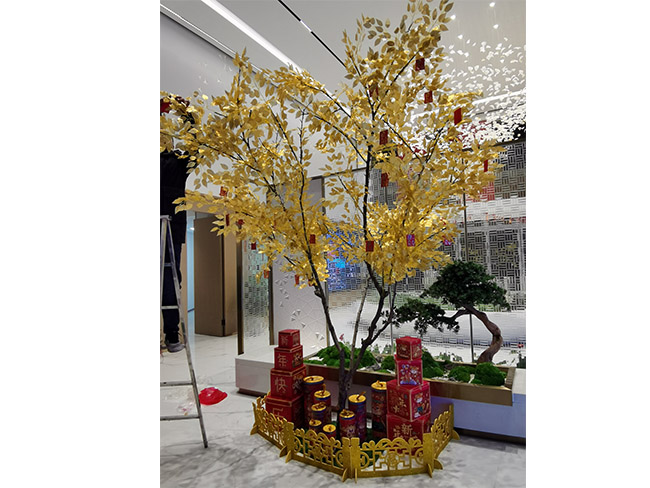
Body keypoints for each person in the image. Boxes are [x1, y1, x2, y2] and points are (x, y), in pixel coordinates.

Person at [160, 148, 190, 352]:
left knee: (169, 280)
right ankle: (171, 336)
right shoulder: (179, 161)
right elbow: (198, 147)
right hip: (171, 226)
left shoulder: (179, 161)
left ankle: (171, 335)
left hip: (170, 228)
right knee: (170, 280)